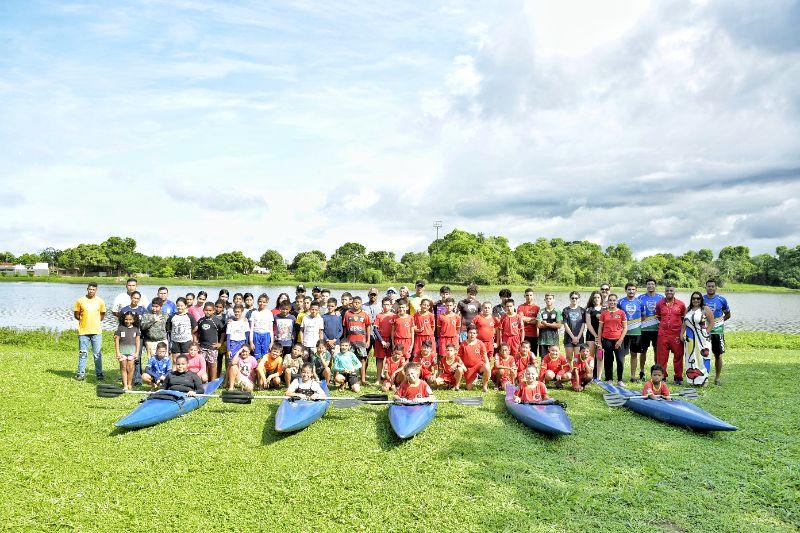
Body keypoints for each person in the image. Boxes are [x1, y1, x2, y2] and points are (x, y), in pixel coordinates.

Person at [73, 282, 107, 381]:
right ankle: (80, 374)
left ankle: (99, 373)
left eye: (93, 289)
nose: (91, 291)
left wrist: (94, 322)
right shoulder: (80, 301)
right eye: (89, 289)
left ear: (96, 290)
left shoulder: (100, 301)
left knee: (97, 354)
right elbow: (76, 314)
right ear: (87, 289)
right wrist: (84, 321)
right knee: (83, 353)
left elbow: (102, 315)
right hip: (83, 332)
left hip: (96, 332)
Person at [655, 283, 687, 384]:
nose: (669, 292)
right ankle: (662, 377)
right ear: (664, 292)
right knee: (662, 357)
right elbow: (659, 317)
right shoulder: (659, 304)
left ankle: (678, 377)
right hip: (663, 334)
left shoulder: (681, 304)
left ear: (674, 292)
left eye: (671, 291)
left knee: (678, 356)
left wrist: (681, 333)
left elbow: (684, 320)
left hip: (676, 334)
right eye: (667, 290)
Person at [681, 291, 715, 386]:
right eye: (694, 298)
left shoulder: (705, 309)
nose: (696, 300)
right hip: (690, 338)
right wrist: (681, 334)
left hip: (702, 338)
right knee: (691, 357)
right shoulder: (688, 309)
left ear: (701, 299)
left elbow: (712, 322)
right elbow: (684, 323)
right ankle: (693, 380)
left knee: (703, 357)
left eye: (698, 298)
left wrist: (706, 332)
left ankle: (704, 379)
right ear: (691, 300)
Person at [703, 279, 731, 385]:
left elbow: (728, 314)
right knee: (703, 354)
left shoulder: (721, 299)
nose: (710, 288)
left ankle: (717, 378)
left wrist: (719, 322)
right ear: (705, 287)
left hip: (717, 332)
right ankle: (703, 376)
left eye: (712, 286)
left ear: (716, 288)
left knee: (718, 355)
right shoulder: (701, 299)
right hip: (705, 332)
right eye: (708, 286)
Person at [597, 293, 628, 386]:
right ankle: (609, 379)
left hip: (618, 340)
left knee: (620, 360)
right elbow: (600, 328)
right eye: (610, 300)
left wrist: (620, 340)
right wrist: (599, 341)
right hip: (606, 340)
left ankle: (620, 380)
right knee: (608, 360)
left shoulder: (621, 313)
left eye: (614, 300)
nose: (612, 302)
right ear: (608, 301)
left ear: (617, 301)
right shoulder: (604, 313)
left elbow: (625, 328)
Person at [617, 283, 645, 382]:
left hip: (637, 333)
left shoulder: (640, 302)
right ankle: (620, 376)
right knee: (622, 355)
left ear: (636, 290)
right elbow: (618, 316)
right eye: (629, 289)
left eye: (633, 289)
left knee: (634, 354)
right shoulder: (620, 302)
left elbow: (643, 316)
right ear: (626, 290)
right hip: (624, 333)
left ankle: (633, 376)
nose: (631, 291)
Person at [638, 279, 664, 381]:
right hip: (644, 329)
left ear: (655, 285)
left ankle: (656, 373)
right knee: (643, 351)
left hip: (657, 330)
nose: (650, 286)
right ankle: (642, 371)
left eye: (652, 284)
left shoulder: (661, 298)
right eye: (648, 284)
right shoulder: (640, 298)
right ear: (646, 286)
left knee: (656, 351)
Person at [119, 291, 147, 386]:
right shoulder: (124, 310)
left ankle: (137, 378)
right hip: (127, 337)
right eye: (134, 298)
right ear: (131, 298)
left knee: (136, 357)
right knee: (125, 360)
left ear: (139, 299)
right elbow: (121, 324)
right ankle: (125, 378)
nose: (135, 300)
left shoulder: (143, 310)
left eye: (137, 298)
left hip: (138, 336)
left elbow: (145, 323)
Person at [343, 296, 371, 385]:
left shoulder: (364, 314)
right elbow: (345, 328)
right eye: (355, 302)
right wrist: (344, 339)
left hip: (361, 341)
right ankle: (349, 379)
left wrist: (368, 340)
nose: (356, 304)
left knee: (362, 359)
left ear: (361, 304)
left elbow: (368, 327)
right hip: (350, 340)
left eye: (358, 303)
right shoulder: (348, 314)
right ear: (352, 303)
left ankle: (362, 379)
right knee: (350, 359)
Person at [459, 325, 491, 392]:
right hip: (469, 368)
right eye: (470, 333)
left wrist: (488, 365)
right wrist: (462, 365)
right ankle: (473, 378)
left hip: (479, 365)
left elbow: (485, 355)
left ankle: (485, 387)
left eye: (474, 333)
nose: (472, 335)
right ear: (467, 333)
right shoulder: (463, 344)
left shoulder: (480, 343)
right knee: (469, 388)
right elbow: (459, 357)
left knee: (487, 368)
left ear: (476, 334)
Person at [197, 302, 224, 381]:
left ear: (213, 311)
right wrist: (196, 342)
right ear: (203, 310)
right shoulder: (201, 321)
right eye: (206, 310)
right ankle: (203, 381)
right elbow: (197, 332)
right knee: (203, 365)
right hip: (202, 347)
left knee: (212, 365)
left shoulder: (216, 321)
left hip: (212, 347)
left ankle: (213, 381)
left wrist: (220, 343)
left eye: (210, 310)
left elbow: (223, 332)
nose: (208, 312)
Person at [114, 311, 140, 390]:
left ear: (133, 320)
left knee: (131, 368)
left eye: (130, 319)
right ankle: (125, 385)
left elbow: (138, 341)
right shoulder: (120, 328)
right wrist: (118, 352)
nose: (128, 321)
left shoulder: (136, 329)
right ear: (123, 319)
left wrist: (137, 353)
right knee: (123, 367)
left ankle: (129, 384)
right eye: (126, 319)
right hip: (122, 352)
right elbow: (116, 340)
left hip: (132, 352)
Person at [372, 296, 396, 385]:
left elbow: (395, 330)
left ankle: (389, 378)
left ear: (391, 305)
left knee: (390, 360)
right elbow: (375, 329)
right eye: (384, 304)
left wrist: (390, 341)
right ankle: (378, 379)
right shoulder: (379, 315)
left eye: (388, 305)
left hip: (391, 340)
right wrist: (382, 341)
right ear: (382, 305)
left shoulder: (394, 316)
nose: (386, 306)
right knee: (380, 359)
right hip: (380, 340)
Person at [225, 304, 250, 383]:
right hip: (233, 343)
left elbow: (247, 335)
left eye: (238, 312)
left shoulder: (245, 322)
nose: (237, 313)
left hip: (242, 343)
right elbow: (228, 337)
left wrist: (246, 347)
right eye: (235, 312)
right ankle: (226, 381)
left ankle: (239, 379)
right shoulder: (230, 322)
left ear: (242, 312)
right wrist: (228, 349)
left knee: (240, 361)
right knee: (231, 363)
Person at [167, 297, 197, 362]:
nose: (179, 307)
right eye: (178, 306)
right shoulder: (172, 316)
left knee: (185, 360)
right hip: (175, 341)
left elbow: (195, 327)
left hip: (186, 341)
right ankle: (175, 372)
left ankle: (185, 372)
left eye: (181, 306)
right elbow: (169, 328)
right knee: (175, 360)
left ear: (185, 306)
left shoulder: (189, 316)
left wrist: (190, 333)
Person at [248, 294, 274, 361]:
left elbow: (271, 329)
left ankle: (265, 370)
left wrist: (271, 342)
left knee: (266, 355)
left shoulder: (269, 313)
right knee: (257, 355)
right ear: (257, 302)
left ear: (266, 303)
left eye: (264, 302)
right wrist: (251, 342)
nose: (261, 303)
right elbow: (251, 329)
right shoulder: (254, 313)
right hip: (256, 335)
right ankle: (256, 370)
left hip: (266, 336)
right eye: (260, 301)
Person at [536, 293, 562, 358]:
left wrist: (546, 324)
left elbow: (559, 325)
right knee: (543, 360)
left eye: (550, 299)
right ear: (544, 300)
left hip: (554, 340)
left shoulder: (557, 311)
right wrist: (552, 324)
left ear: (553, 300)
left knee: (554, 359)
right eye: (547, 299)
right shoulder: (541, 311)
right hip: (543, 341)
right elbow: (539, 325)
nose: (548, 300)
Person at [562, 291, 586, 360]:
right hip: (568, 338)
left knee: (577, 358)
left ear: (579, 299)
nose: (574, 299)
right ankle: (569, 370)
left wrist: (578, 337)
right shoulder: (566, 310)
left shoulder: (582, 310)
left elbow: (583, 324)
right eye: (572, 298)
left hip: (579, 338)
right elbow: (565, 324)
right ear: (570, 299)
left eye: (576, 298)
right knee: (569, 358)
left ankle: (576, 371)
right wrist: (573, 337)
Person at [517, 288, 540, 357]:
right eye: (527, 295)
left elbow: (537, 320)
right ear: (524, 296)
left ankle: (533, 367)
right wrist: (532, 319)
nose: (529, 297)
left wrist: (526, 319)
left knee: (533, 354)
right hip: (524, 334)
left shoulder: (537, 308)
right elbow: (520, 318)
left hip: (534, 334)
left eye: (530, 295)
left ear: (533, 296)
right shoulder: (521, 307)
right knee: (523, 354)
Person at [584, 291, 604, 367]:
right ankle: (590, 375)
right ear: (592, 299)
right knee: (590, 356)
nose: (596, 299)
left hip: (602, 336)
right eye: (595, 297)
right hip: (591, 335)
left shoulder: (605, 309)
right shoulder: (589, 309)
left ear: (601, 298)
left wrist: (599, 336)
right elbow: (588, 324)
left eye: (598, 297)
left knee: (600, 356)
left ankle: (598, 377)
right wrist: (596, 336)